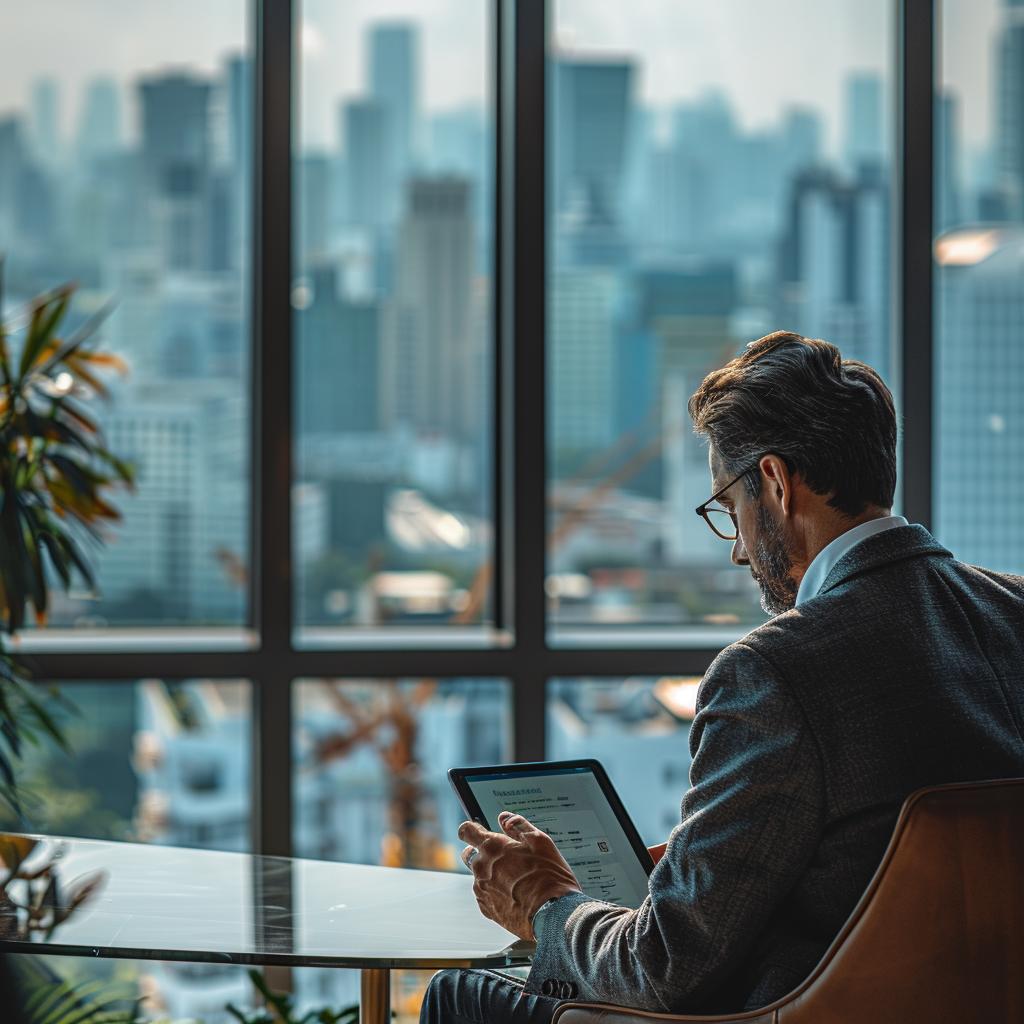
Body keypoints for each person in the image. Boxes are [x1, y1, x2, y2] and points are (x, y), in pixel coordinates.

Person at [420, 332, 1024, 1024]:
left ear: (773, 480)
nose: (737, 549)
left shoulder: (775, 670)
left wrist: (549, 905)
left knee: (461, 997)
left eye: (726, 509)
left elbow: (665, 970)